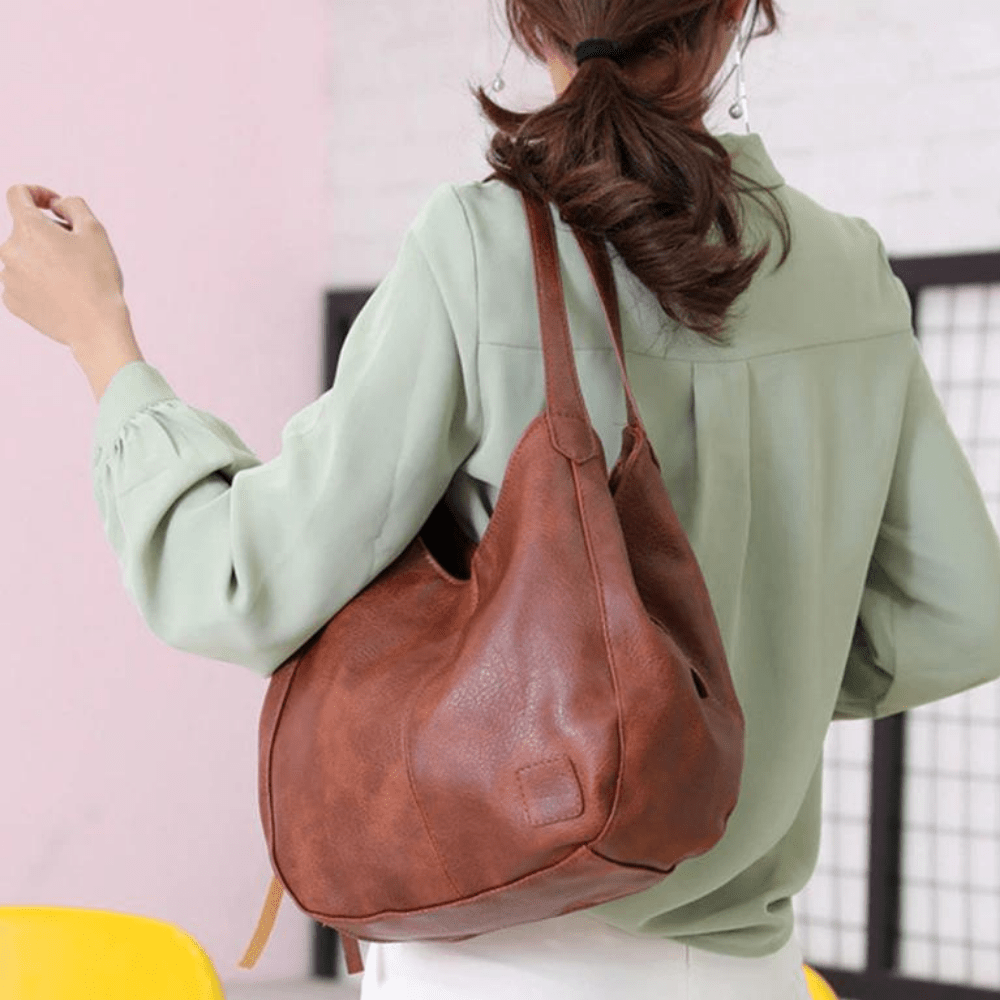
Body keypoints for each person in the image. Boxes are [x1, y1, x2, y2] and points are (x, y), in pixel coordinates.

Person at [68, 0, 1000, 997]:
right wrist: (741, 682)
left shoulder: (483, 249)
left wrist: (99, 336)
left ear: (529, 19)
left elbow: (238, 582)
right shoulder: (845, 270)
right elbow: (964, 618)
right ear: (737, 12)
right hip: (746, 974)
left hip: (492, 959)